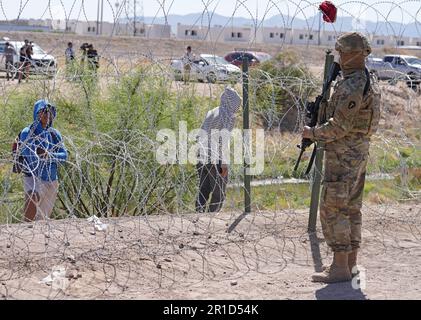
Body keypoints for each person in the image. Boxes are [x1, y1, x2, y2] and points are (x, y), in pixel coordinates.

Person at [302, 32, 381, 283]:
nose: (339, 56)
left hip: (344, 155)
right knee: (351, 208)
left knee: (333, 208)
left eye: (342, 52)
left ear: (354, 54)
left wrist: (312, 133)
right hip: (356, 153)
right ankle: (350, 264)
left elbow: (339, 127)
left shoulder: (352, 85)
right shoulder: (366, 80)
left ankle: (339, 268)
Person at [18, 100, 68, 221]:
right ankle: (26, 237)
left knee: (43, 217)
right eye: (43, 112)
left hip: (51, 178)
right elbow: (31, 159)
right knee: (30, 213)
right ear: (36, 113)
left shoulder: (54, 134)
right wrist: (46, 157)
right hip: (34, 178)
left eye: (50, 112)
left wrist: (48, 155)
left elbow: (64, 156)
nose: (47, 115)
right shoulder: (28, 132)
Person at [196, 87, 242, 213]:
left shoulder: (212, 111)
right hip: (215, 159)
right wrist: (224, 164)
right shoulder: (228, 116)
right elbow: (224, 140)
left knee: (203, 189)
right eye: (237, 104)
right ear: (232, 103)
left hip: (201, 155)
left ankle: (198, 215)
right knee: (219, 193)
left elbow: (199, 134)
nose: (238, 108)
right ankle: (212, 218)